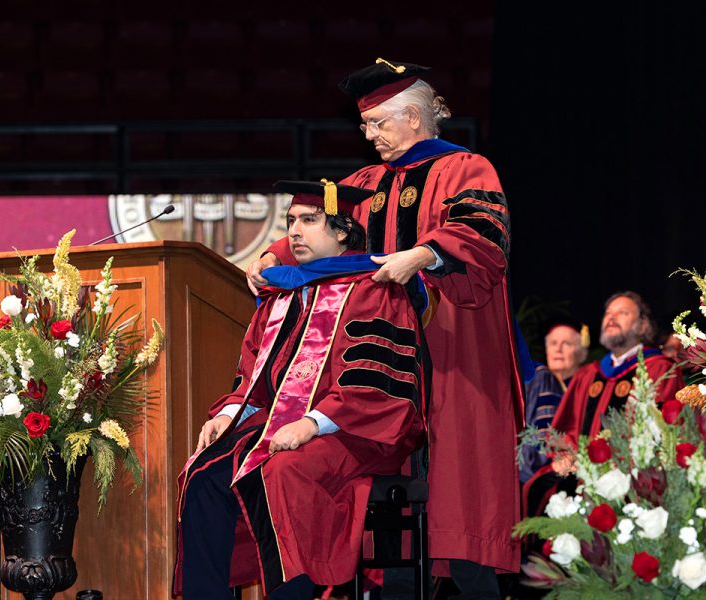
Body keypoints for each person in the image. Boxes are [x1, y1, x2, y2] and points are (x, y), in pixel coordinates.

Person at [247, 59, 525, 598]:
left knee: (458, 492)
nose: (369, 136)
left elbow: (484, 236)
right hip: (373, 367)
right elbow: (316, 231)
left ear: (415, 118)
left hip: (451, 353)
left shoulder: (467, 169)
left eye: (378, 125)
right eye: (366, 127)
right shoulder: (363, 184)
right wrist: (268, 254)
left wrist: (422, 255)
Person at [174, 180, 427, 599]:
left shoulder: (375, 288)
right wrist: (227, 414)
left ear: (343, 231)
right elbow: (254, 376)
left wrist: (312, 423)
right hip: (277, 428)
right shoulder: (283, 293)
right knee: (201, 473)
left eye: (309, 221)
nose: (294, 231)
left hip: (357, 430)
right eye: (291, 221)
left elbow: (376, 380)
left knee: (280, 473)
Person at [521, 291, 683, 515]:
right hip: (580, 471)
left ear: (642, 326)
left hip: (631, 474)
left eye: (622, 313)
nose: (612, 317)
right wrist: (565, 456)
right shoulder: (587, 375)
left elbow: (663, 432)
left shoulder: (659, 369)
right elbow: (565, 430)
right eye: (608, 313)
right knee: (538, 489)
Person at [519, 322, 589, 487]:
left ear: (581, 353)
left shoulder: (591, 388)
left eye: (566, 343)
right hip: (542, 478)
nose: (558, 349)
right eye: (553, 343)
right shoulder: (536, 383)